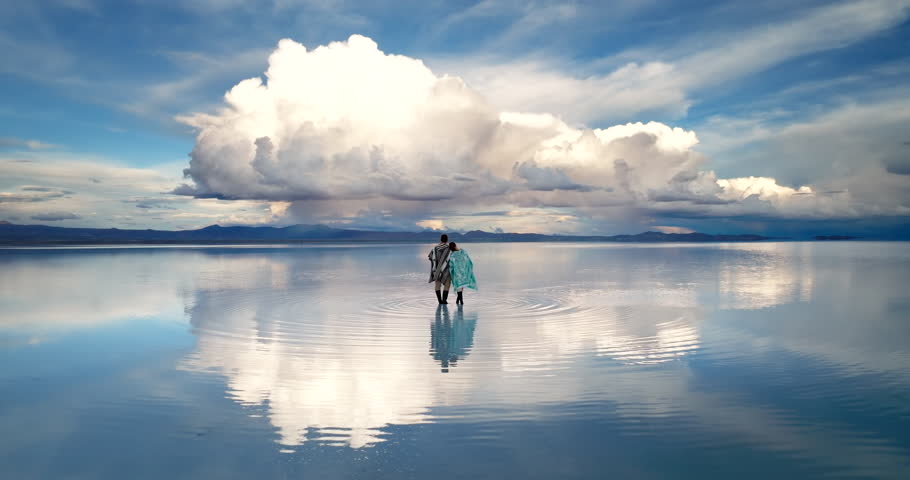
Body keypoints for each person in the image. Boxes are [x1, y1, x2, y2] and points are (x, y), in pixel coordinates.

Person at [428, 234, 452, 304]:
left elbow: (431, 257)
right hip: (447, 270)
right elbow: (453, 259)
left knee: (437, 285)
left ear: (440, 239)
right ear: (447, 239)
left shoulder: (435, 248)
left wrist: (436, 265)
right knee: (447, 285)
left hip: (437, 270)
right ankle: (444, 300)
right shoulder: (449, 248)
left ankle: (439, 301)